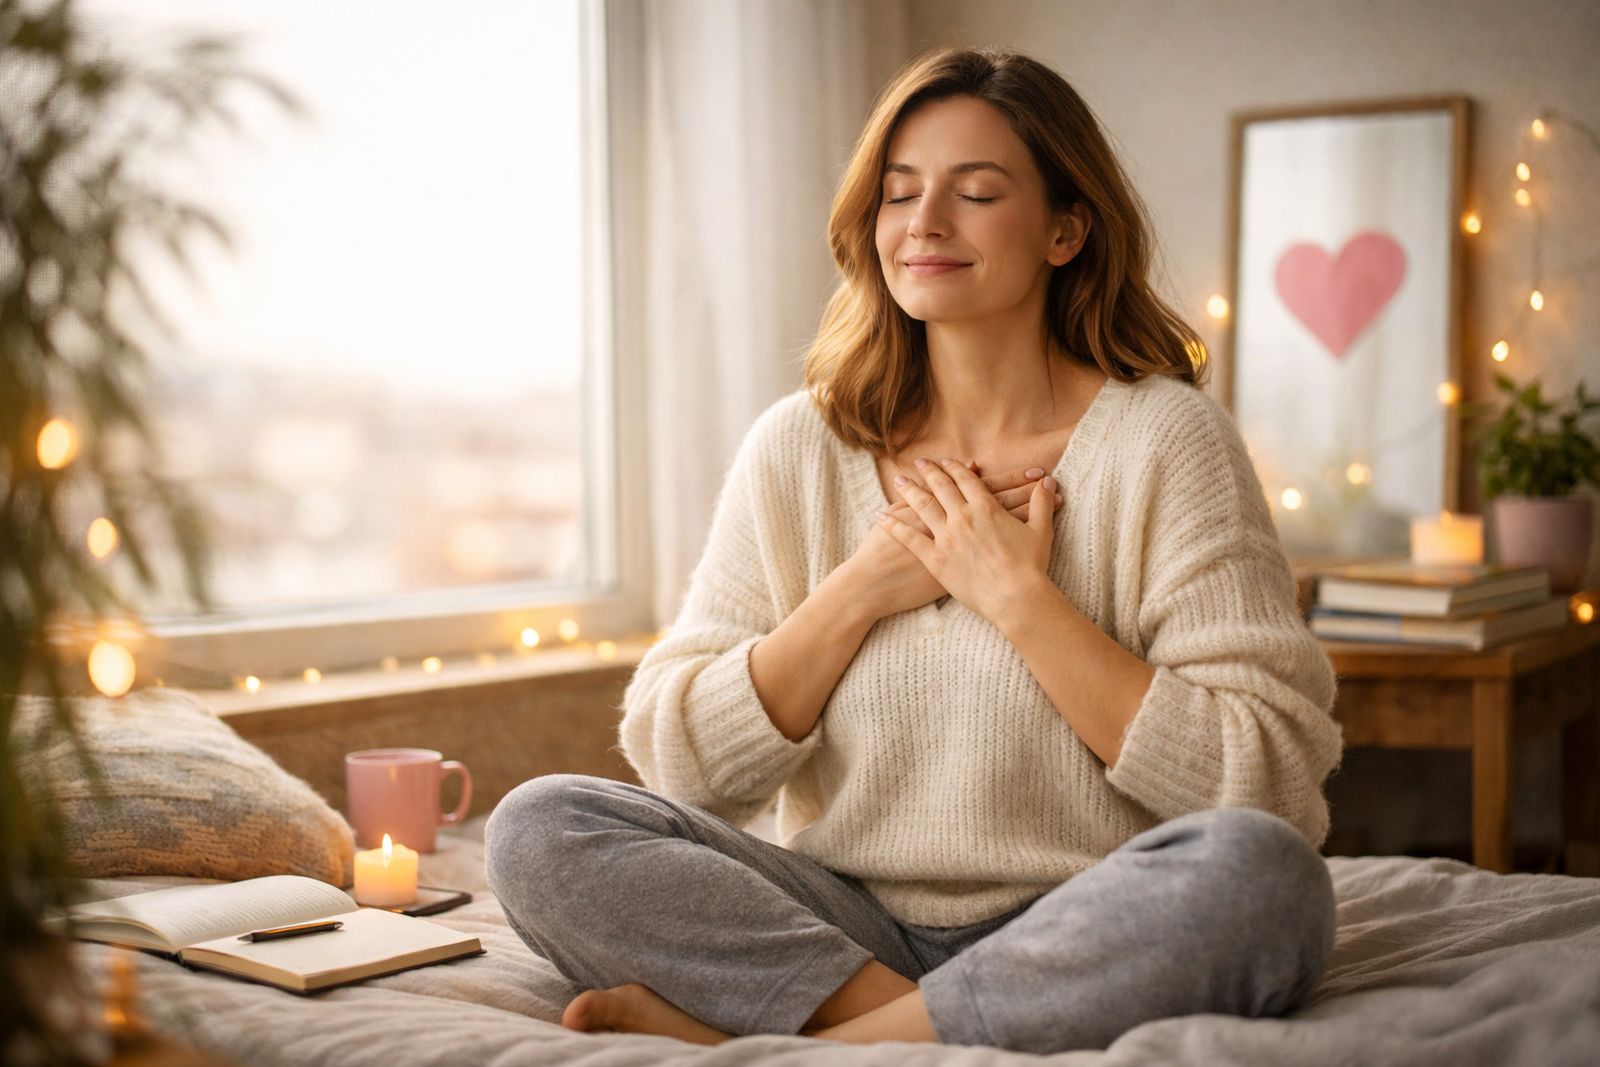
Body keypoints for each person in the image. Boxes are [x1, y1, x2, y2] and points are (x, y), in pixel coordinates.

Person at [486, 45, 1343, 1054]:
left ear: (1066, 229)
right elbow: (679, 759)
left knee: (1262, 878)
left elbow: (1268, 781)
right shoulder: (800, 446)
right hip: (841, 921)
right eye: (899, 194)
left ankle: (818, 1042)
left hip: (1081, 916)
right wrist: (858, 590)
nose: (924, 223)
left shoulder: (1167, 441)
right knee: (539, 827)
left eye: (976, 193)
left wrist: (1017, 597)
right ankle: (894, 1027)